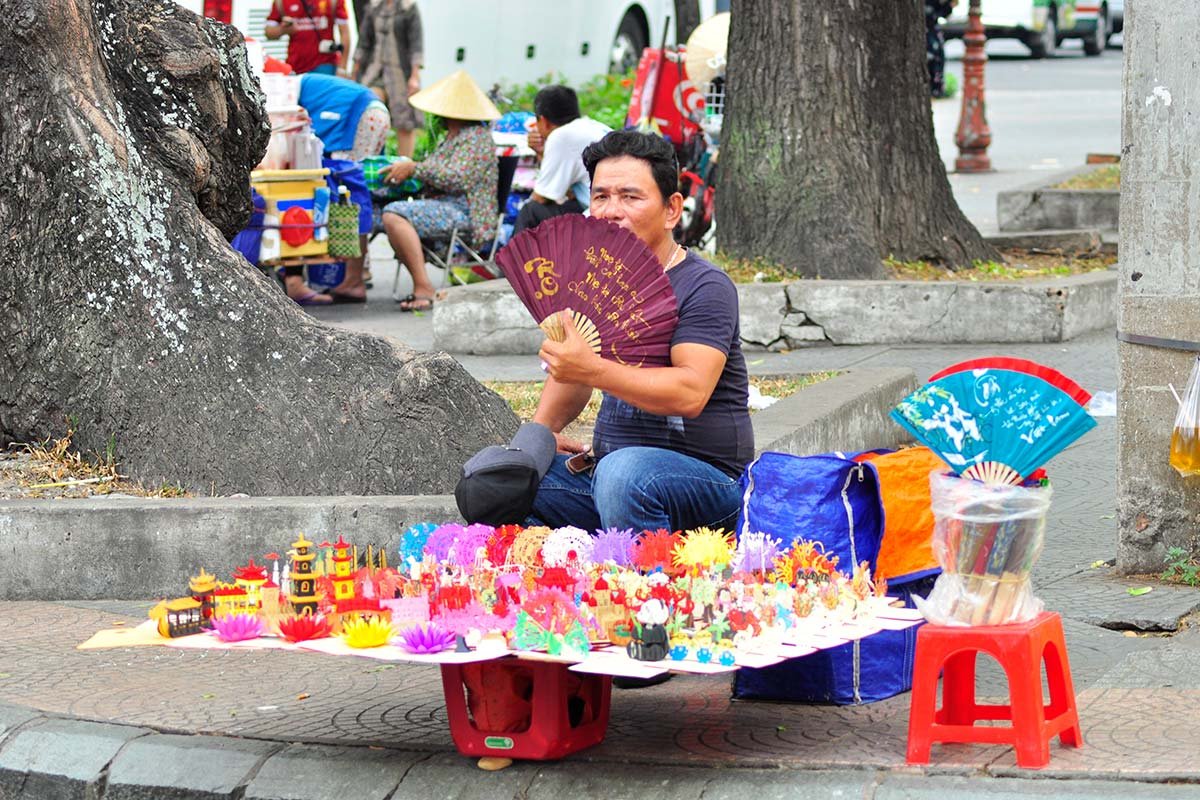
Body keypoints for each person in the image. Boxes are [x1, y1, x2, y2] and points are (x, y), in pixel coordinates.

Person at [526, 130, 753, 534]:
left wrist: (592, 369)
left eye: (630, 197)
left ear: (671, 210)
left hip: (707, 484)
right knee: (499, 478)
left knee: (624, 474)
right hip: (610, 477)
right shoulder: (594, 282)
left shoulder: (705, 286)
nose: (611, 211)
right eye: (600, 197)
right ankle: (578, 561)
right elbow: (572, 375)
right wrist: (539, 438)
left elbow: (690, 392)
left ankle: (644, 570)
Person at [378, 70, 499, 312]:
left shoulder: (477, 138)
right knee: (377, 211)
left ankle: (424, 287)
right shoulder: (452, 138)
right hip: (444, 205)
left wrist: (415, 169)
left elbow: (457, 178)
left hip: (466, 211)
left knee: (394, 215)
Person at [284, 73, 389, 305]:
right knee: (352, 192)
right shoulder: (304, 84)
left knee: (348, 194)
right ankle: (358, 273)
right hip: (375, 113)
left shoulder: (283, 91)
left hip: (361, 117)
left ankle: (353, 278)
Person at [512, 86, 611, 235]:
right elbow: (565, 189)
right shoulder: (593, 127)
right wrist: (541, 152)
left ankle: (513, 251)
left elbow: (542, 196)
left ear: (543, 121)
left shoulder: (561, 136)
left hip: (602, 216)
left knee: (530, 211)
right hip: (612, 206)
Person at [355, 0, 425, 159]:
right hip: (375, 71)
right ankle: (370, 159)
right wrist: (354, 73)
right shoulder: (373, 7)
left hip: (401, 73)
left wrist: (415, 76)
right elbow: (363, 44)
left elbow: (416, 46)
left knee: (405, 121)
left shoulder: (409, 8)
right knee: (370, 107)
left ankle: (404, 164)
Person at [265, 0, 353, 77]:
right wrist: (283, 30)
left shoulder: (333, 1)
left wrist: (342, 69)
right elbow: (268, 32)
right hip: (295, 65)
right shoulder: (281, 1)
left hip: (325, 64)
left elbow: (345, 33)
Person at [926, 0, 957, 98]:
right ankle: (934, 88)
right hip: (928, 36)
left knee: (936, 61)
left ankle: (935, 89)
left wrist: (950, 5)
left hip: (932, 33)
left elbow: (943, 12)